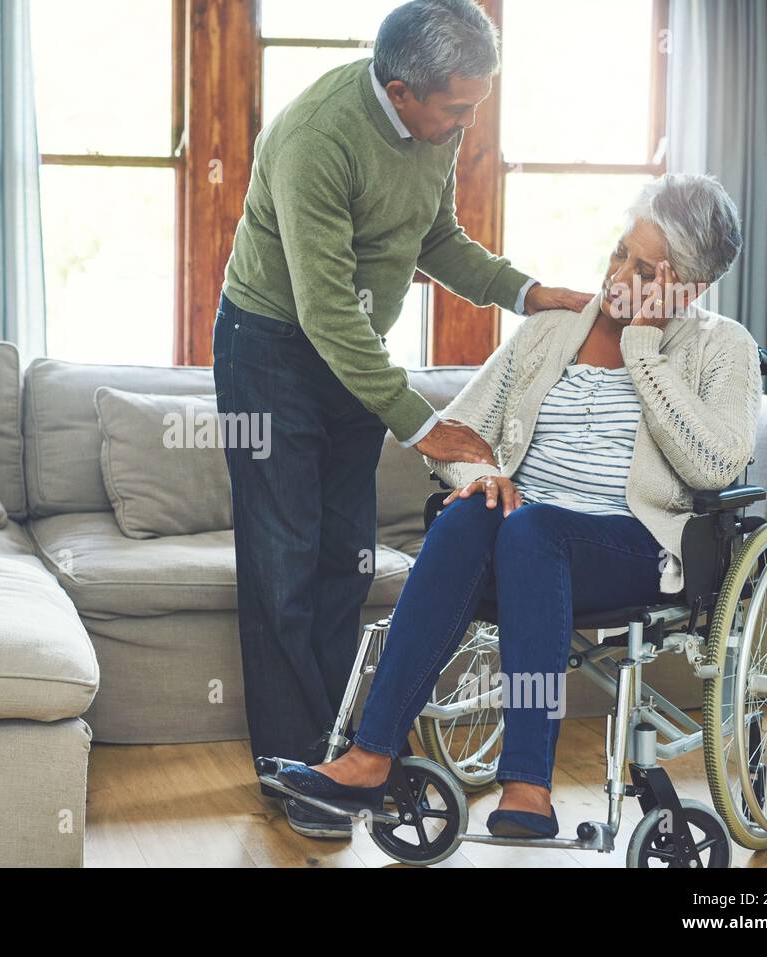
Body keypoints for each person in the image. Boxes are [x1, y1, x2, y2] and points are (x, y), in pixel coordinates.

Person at [266, 172, 762, 839]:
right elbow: (455, 431)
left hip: (632, 543)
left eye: (645, 270)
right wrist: (483, 471)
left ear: (691, 287)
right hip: (524, 535)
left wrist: (645, 348)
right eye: (619, 252)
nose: (618, 276)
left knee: (533, 529)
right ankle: (369, 756)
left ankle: (528, 780)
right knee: (473, 511)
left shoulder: (720, 346)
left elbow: (715, 463)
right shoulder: (550, 330)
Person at [214, 0, 590, 838]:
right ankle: (296, 771)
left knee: (343, 559)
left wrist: (527, 293)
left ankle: (347, 748)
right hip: (272, 347)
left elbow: (437, 238)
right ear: (401, 89)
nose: (467, 122)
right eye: (456, 109)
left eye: (474, 106)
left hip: (351, 350)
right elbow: (323, 311)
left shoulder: (438, 121)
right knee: (282, 562)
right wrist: (420, 424)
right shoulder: (319, 137)